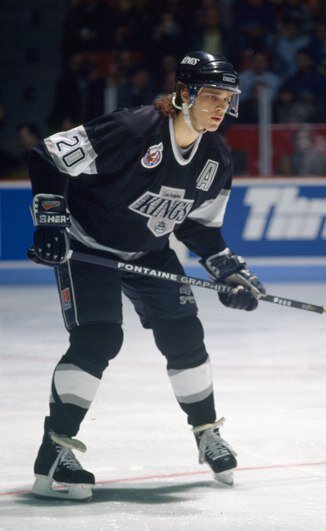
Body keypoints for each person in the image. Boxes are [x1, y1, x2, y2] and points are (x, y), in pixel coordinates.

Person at [27, 51, 266, 502]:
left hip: (149, 251)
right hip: (88, 247)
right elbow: (48, 156)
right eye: (211, 96)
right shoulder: (132, 129)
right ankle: (54, 450)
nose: (220, 107)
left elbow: (198, 226)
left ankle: (207, 431)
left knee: (185, 334)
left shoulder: (215, 157)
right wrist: (51, 220)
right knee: (98, 338)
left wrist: (229, 271)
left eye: (227, 99)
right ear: (184, 93)